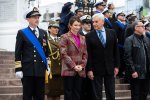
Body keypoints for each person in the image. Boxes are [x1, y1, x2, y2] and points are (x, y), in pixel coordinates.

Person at [15, 7, 50, 100]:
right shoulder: (22, 33)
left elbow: (46, 51)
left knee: (40, 96)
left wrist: (48, 65)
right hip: (28, 70)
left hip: (40, 70)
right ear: (28, 19)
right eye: (34, 17)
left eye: (38, 17)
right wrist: (18, 69)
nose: (37, 19)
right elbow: (18, 52)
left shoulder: (43, 33)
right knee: (27, 96)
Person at [86, 13, 119, 100]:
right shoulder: (89, 36)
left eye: (96, 22)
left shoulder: (112, 32)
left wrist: (117, 66)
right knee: (97, 94)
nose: (94, 24)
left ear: (103, 22)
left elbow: (116, 51)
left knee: (111, 92)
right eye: (93, 22)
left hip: (110, 67)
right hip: (96, 68)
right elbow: (88, 54)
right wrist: (89, 70)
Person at [59, 16, 88, 100]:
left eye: (79, 25)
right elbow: (63, 54)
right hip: (69, 69)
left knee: (78, 93)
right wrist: (73, 66)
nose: (77, 27)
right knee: (68, 93)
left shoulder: (83, 38)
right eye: (75, 25)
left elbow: (85, 54)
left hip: (80, 70)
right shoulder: (65, 37)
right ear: (70, 25)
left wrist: (82, 66)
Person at [124, 20, 150, 100]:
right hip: (136, 72)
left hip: (147, 72)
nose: (144, 28)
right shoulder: (129, 40)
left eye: (144, 26)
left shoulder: (146, 39)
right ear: (136, 28)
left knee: (144, 93)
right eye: (142, 26)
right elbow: (127, 57)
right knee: (136, 94)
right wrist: (133, 70)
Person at [45, 23, 63, 100]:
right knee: (50, 92)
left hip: (60, 68)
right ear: (49, 29)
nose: (56, 29)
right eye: (54, 27)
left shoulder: (61, 39)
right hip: (51, 69)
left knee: (58, 92)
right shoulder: (46, 40)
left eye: (57, 28)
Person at [114, 11, 127, 77]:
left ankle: (123, 71)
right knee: (120, 58)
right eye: (121, 15)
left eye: (123, 15)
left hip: (124, 44)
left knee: (124, 59)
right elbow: (115, 34)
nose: (123, 17)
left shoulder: (125, 24)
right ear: (117, 16)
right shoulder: (116, 23)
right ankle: (120, 72)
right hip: (119, 44)